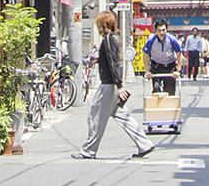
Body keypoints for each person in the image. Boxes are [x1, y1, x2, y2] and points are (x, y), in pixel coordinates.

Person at [75, 11, 154, 160]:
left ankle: (89, 150)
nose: (98, 27)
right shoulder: (115, 38)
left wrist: (119, 85)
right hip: (113, 84)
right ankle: (144, 144)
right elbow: (113, 60)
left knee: (95, 115)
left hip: (109, 85)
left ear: (104, 25)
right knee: (123, 116)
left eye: (99, 24)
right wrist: (98, 61)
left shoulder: (108, 39)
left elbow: (113, 62)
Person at [143, 19, 183, 94]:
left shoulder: (172, 39)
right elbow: (145, 56)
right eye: (159, 30)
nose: (161, 32)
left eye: (163, 30)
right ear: (155, 31)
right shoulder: (151, 40)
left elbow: (179, 54)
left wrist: (178, 70)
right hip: (156, 66)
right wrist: (147, 71)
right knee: (156, 88)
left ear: (166, 30)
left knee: (169, 91)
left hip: (169, 66)